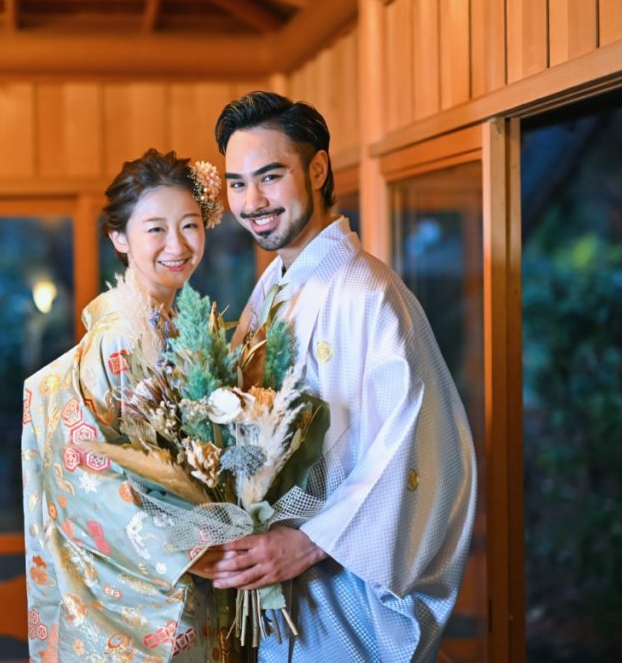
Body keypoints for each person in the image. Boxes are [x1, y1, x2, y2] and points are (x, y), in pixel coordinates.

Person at [190, 92, 478, 662]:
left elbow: (410, 450)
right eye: (238, 184)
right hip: (277, 579)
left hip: (340, 587)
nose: (252, 202)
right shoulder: (274, 285)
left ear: (317, 169)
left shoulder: (369, 294)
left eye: (270, 177)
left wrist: (308, 542)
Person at [21, 149, 230, 662]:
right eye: (155, 229)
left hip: (198, 569)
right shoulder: (116, 341)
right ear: (119, 238)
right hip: (153, 587)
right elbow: (80, 473)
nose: (177, 245)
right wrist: (185, 549)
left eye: (190, 225)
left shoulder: (189, 327)